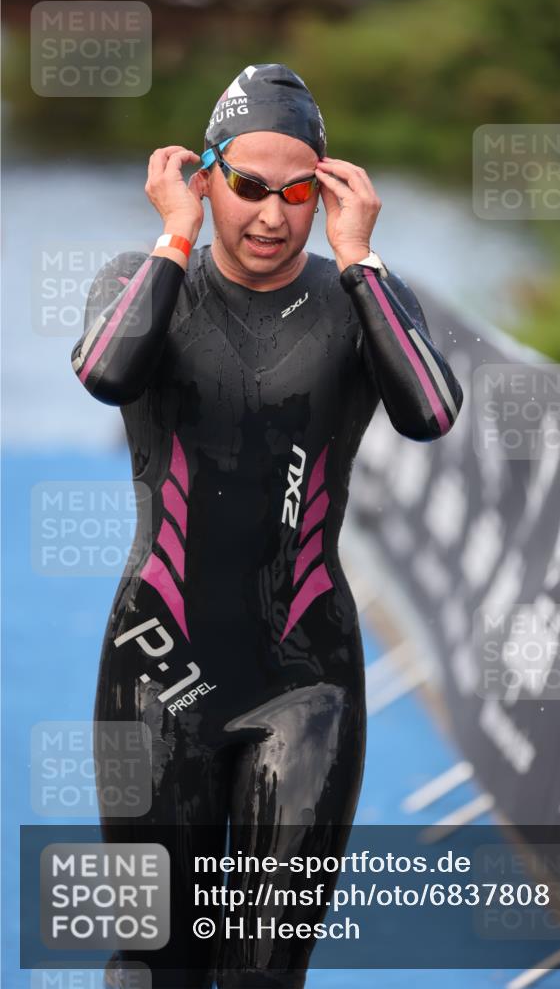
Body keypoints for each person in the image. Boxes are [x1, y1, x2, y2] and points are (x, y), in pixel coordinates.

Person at [72, 64, 463, 989]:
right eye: (247, 186)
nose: (272, 216)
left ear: (326, 192)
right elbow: (106, 372)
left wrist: (361, 258)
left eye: (298, 192)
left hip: (307, 685)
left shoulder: (356, 301)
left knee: (260, 969)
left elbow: (433, 413)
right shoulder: (141, 279)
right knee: (151, 957)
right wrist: (176, 236)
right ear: (202, 174)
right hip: (155, 669)